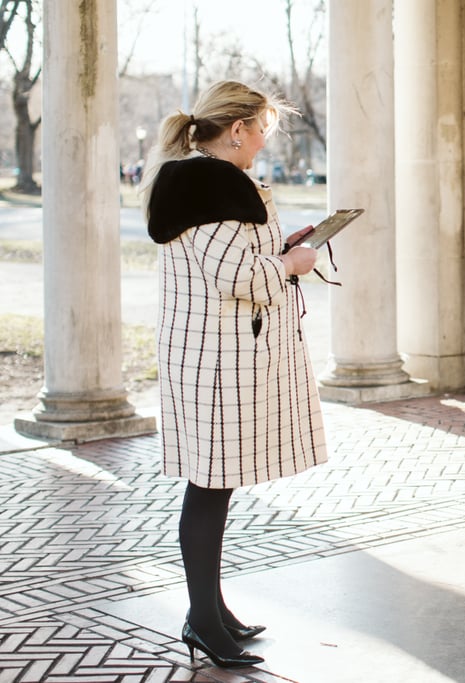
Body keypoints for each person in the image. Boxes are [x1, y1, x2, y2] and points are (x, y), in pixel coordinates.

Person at [139, 81, 328, 668]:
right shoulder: (211, 184)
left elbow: (234, 261)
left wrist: (282, 250)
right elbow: (237, 278)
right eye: (263, 130)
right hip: (216, 359)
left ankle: (212, 610)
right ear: (239, 129)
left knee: (214, 485)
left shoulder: (207, 181)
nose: (263, 143)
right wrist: (293, 262)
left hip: (211, 353)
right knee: (208, 486)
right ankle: (202, 620)